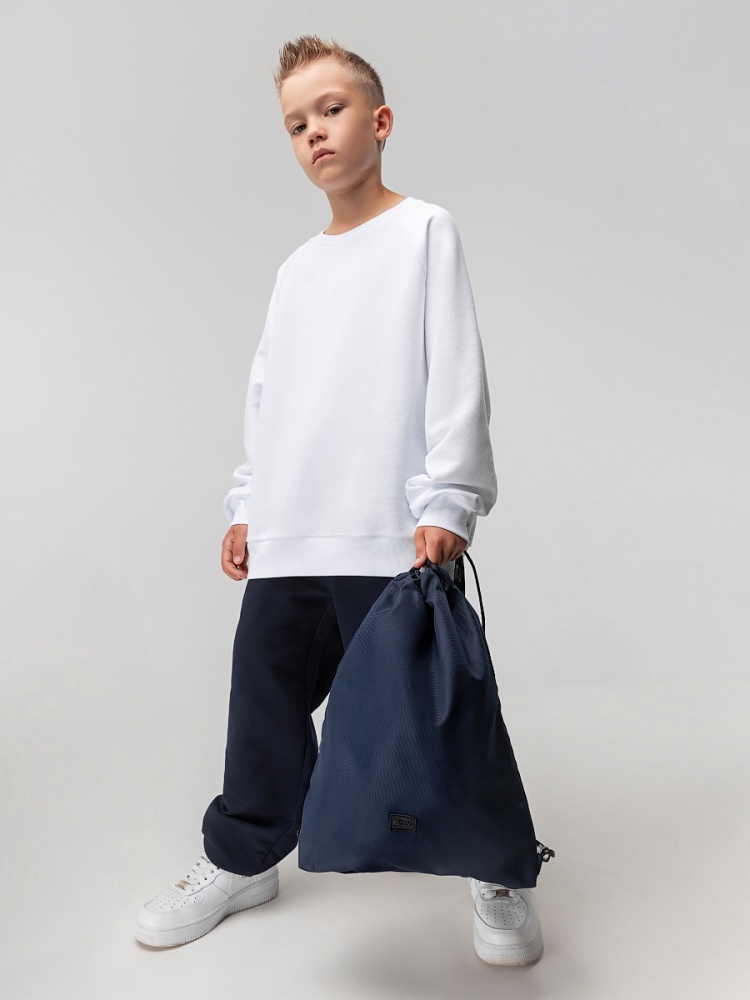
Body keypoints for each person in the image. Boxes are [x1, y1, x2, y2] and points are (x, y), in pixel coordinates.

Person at [135, 34, 544, 966]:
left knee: (434, 706)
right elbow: (270, 395)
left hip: (388, 529)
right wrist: (248, 503)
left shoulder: (424, 231)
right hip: (292, 528)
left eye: (331, 109)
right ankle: (243, 856)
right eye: (295, 124)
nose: (314, 132)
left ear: (380, 121)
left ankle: (496, 865)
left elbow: (456, 371)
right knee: (264, 700)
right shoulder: (297, 269)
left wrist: (448, 500)